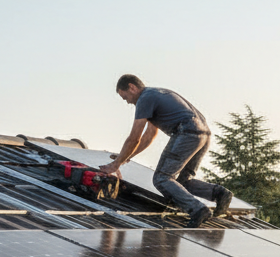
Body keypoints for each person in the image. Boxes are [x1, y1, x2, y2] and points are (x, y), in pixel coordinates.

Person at [99, 74, 233, 227]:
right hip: (203, 135)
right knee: (182, 182)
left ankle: (198, 210)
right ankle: (219, 193)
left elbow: (134, 137)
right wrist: (127, 156)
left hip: (187, 133)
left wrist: (115, 164)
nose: (128, 102)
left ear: (132, 87)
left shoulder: (144, 99)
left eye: (125, 97)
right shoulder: (156, 94)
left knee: (162, 178)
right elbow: (149, 135)